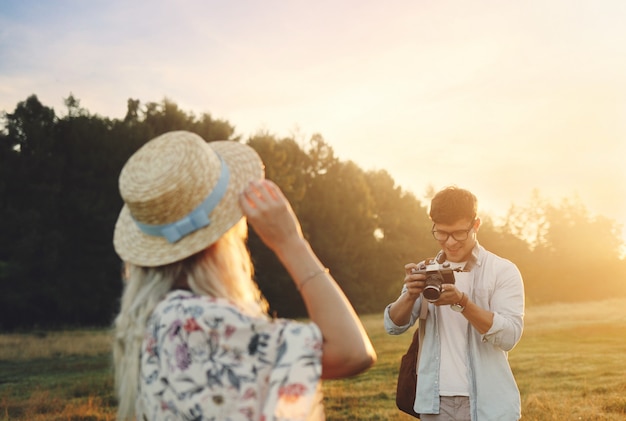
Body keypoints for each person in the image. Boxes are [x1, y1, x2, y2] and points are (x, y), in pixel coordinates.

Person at [112, 130, 376, 421]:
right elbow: (352, 352)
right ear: (223, 235)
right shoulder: (195, 321)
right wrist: (290, 243)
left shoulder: (153, 319)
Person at [384, 186, 524, 421]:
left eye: (459, 233)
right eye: (441, 233)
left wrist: (462, 303)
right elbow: (394, 326)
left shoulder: (502, 271)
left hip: (487, 401)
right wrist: (409, 294)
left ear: (476, 225)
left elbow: (509, 336)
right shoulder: (426, 270)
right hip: (434, 402)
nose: (449, 242)